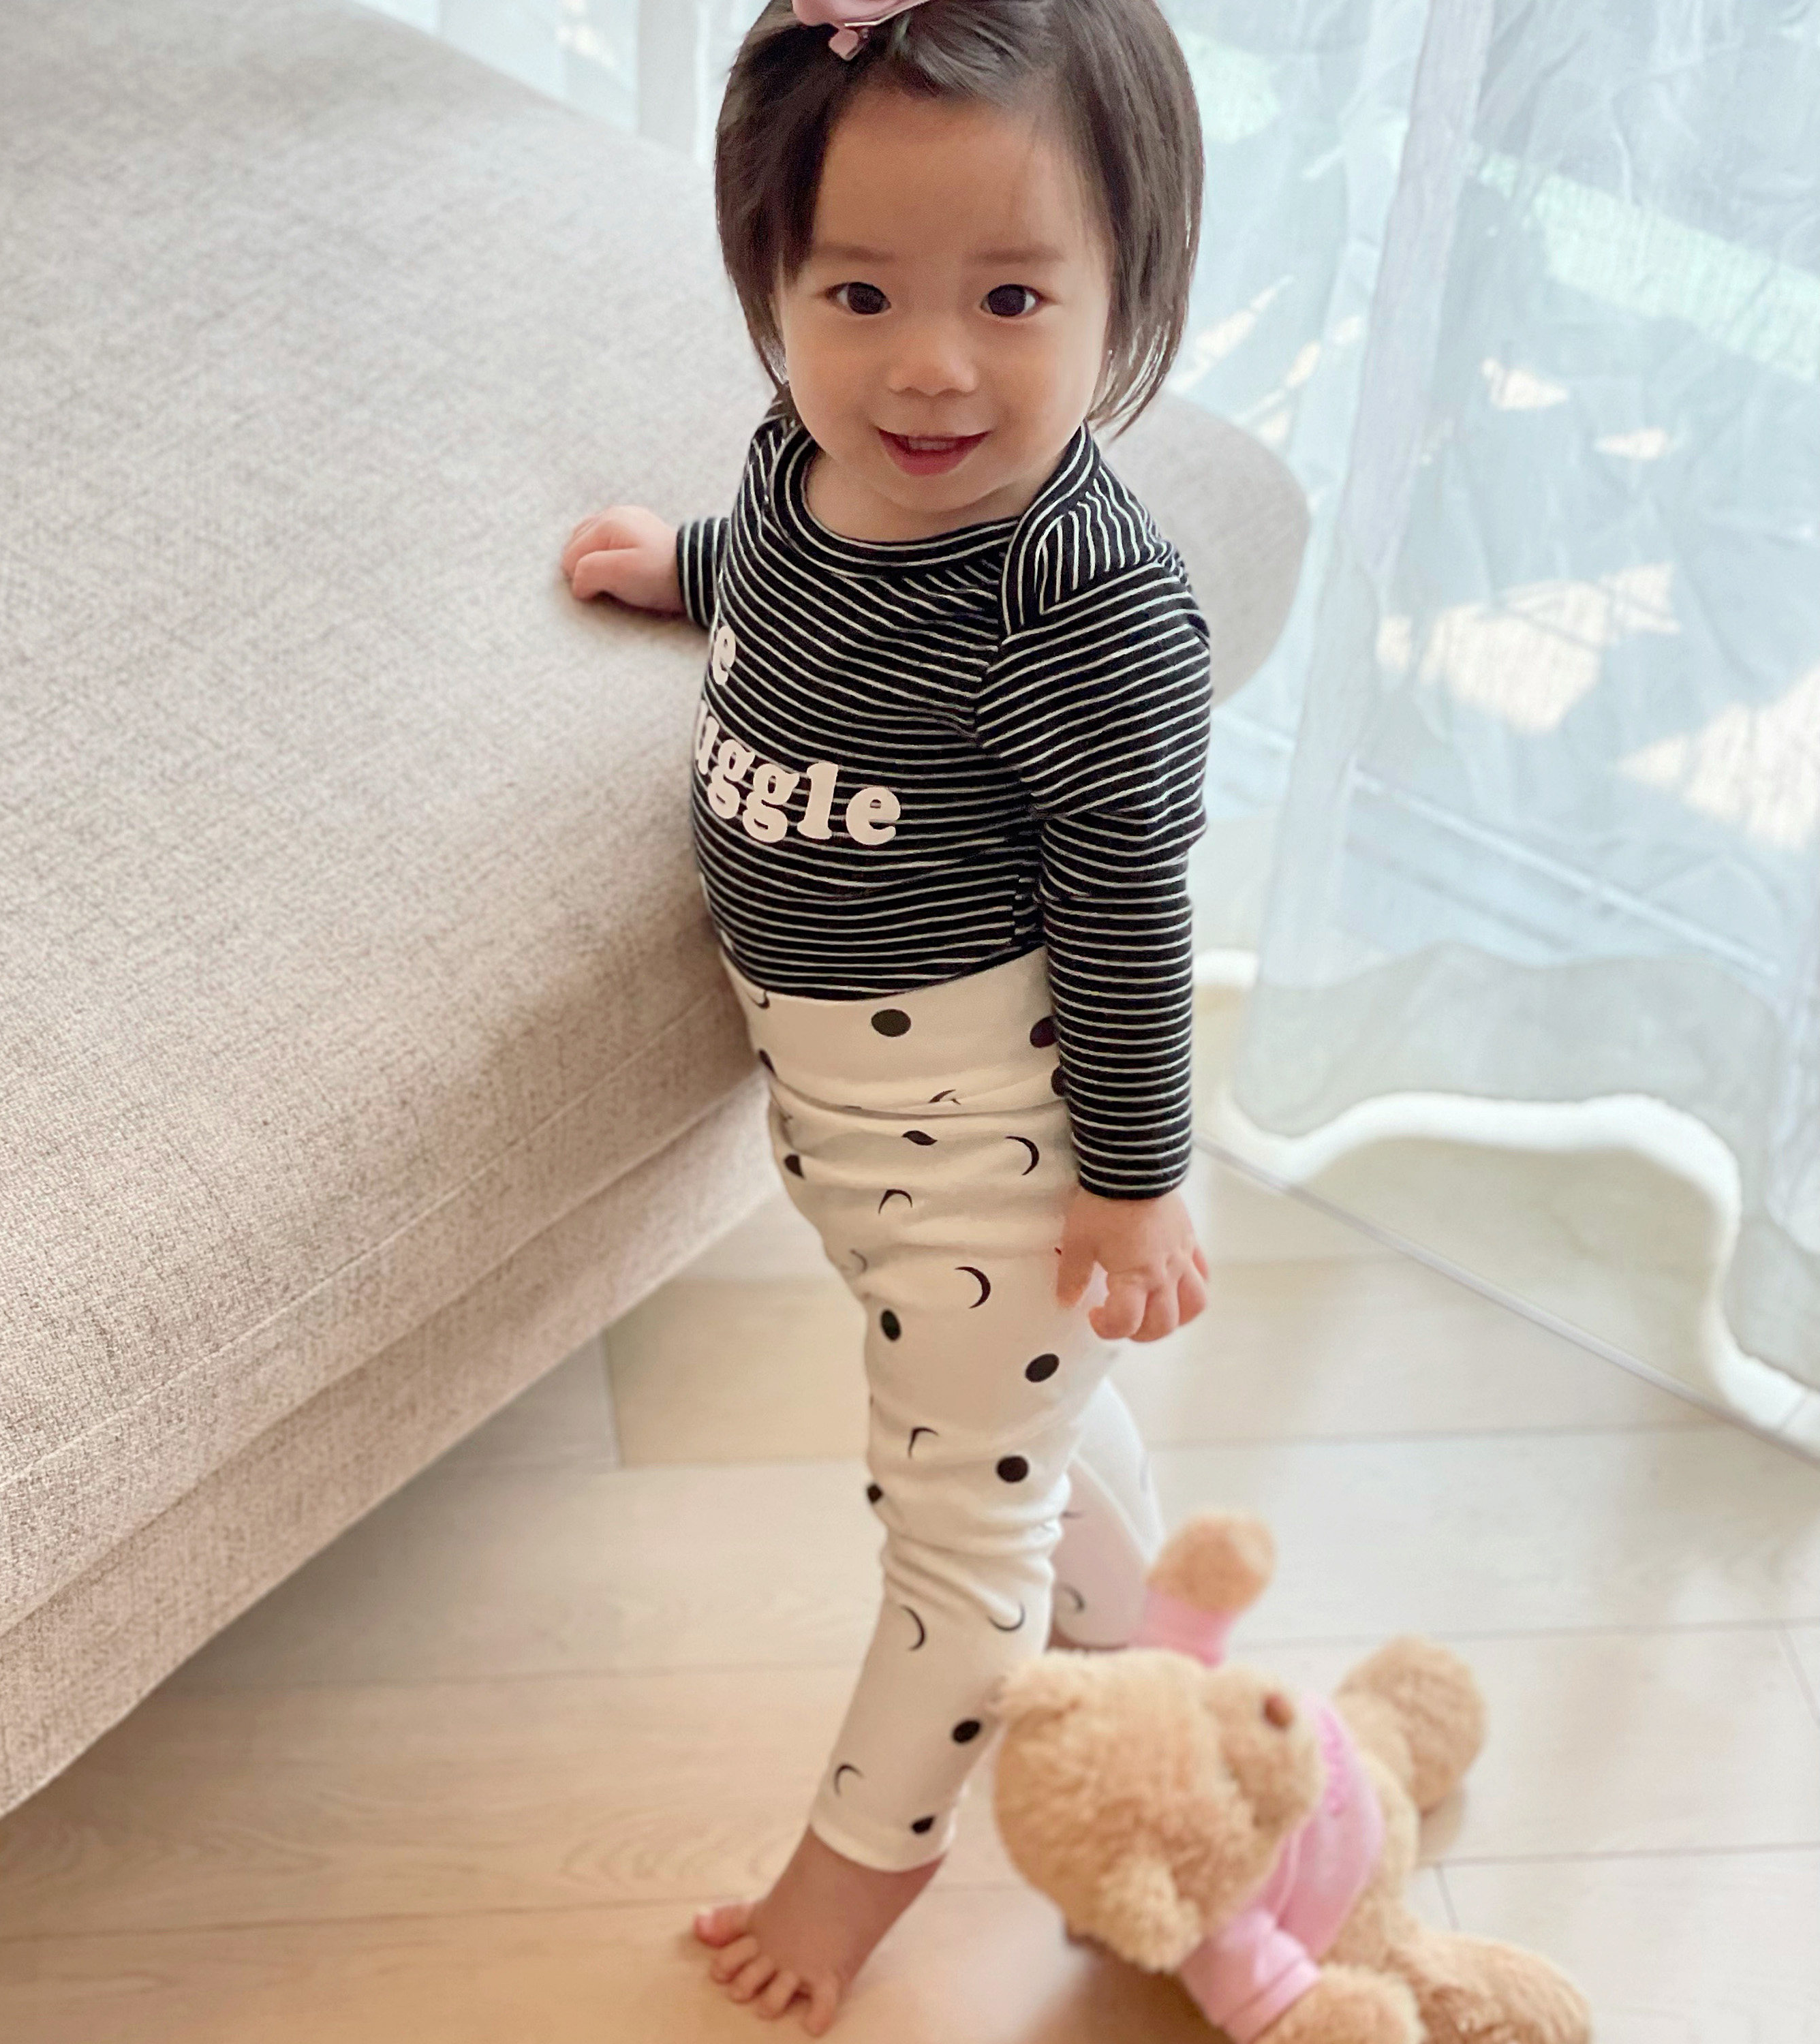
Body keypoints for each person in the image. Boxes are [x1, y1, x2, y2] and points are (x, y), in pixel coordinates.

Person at [561, 0, 1210, 2026]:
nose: (928, 367)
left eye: (1012, 298)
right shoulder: (810, 454)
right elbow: (788, 560)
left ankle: (859, 1880)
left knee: (952, 1539)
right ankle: (1160, 1664)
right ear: (774, 284)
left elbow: (1131, 918)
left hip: (1000, 1152)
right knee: (1023, 1445)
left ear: (1128, 288)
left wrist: (1133, 1185)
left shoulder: (1085, 612)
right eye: (857, 295)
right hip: (849, 1129)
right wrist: (689, 567)